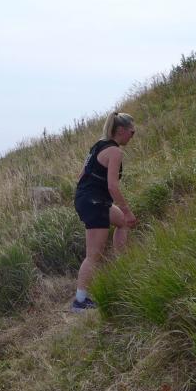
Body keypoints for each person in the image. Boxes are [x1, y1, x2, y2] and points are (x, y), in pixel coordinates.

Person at [71, 112, 137, 312]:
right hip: (95, 203)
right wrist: (128, 211)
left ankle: (122, 268)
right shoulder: (115, 152)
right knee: (93, 255)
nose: (132, 136)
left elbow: (81, 176)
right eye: (132, 132)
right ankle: (80, 301)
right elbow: (112, 186)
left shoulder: (98, 145)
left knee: (122, 222)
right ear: (121, 131)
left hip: (87, 199)